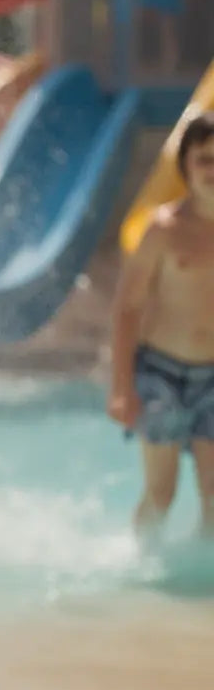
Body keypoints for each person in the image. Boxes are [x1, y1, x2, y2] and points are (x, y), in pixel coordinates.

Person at [108, 112, 214, 537]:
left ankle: (199, 587)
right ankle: (142, 574)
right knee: (161, 492)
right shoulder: (164, 229)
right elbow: (127, 309)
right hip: (162, 373)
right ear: (185, 165)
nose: (212, 170)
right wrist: (120, 387)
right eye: (204, 159)